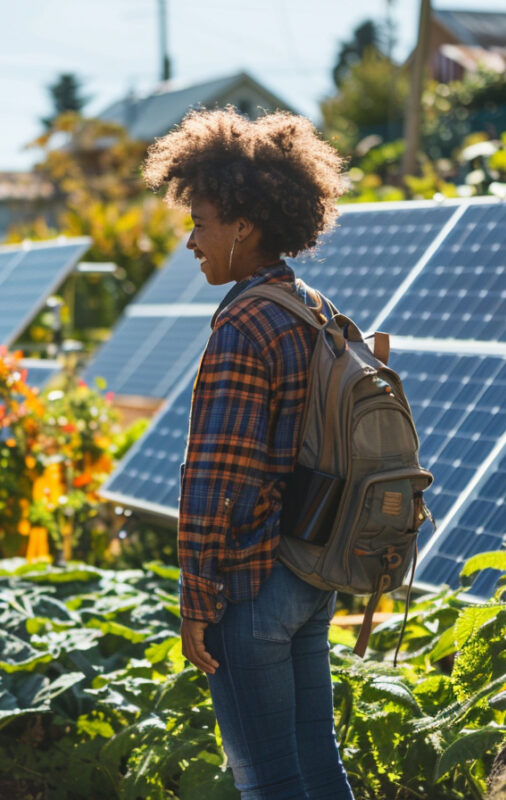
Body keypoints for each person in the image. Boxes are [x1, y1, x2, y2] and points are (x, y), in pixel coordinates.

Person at [143, 108, 352, 799]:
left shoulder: (242, 324)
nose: (191, 242)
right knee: (318, 761)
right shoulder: (309, 305)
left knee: (267, 779)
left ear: (244, 225)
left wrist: (196, 597)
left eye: (200, 223)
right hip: (308, 570)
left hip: (252, 585)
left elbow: (215, 480)